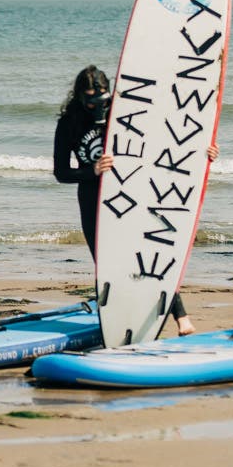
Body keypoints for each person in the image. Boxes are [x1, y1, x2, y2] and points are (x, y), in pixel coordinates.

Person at [53, 64, 215, 335]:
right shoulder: (69, 122)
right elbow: (61, 172)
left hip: (133, 191)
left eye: (101, 98)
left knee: (150, 253)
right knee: (108, 265)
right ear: (80, 96)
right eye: (89, 99)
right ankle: (122, 322)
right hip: (93, 200)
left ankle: (181, 318)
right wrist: (91, 171)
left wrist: (203, 152)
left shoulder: (124, 113)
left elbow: (168, 140)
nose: (96, 106)